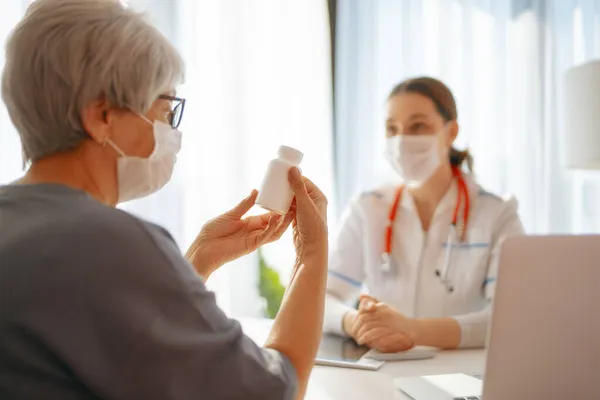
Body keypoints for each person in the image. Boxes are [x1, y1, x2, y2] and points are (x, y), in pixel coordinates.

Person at [0, 1, 328, 399]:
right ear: (101, 115)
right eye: (165, 108)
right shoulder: (109, 244)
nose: (171, 130)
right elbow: (276, 389)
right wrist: (310, 255)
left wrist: (197, 262)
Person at [323, 77, 525, 352]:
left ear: (451, 131)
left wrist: (414, 330)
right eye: (392, 129)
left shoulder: (497, 212)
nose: (402, 140)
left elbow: (506, 319)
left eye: (418, 126)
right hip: (383, 367)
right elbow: (322, 298)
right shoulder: (367, 208)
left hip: (461, 375)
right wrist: (354, 322)